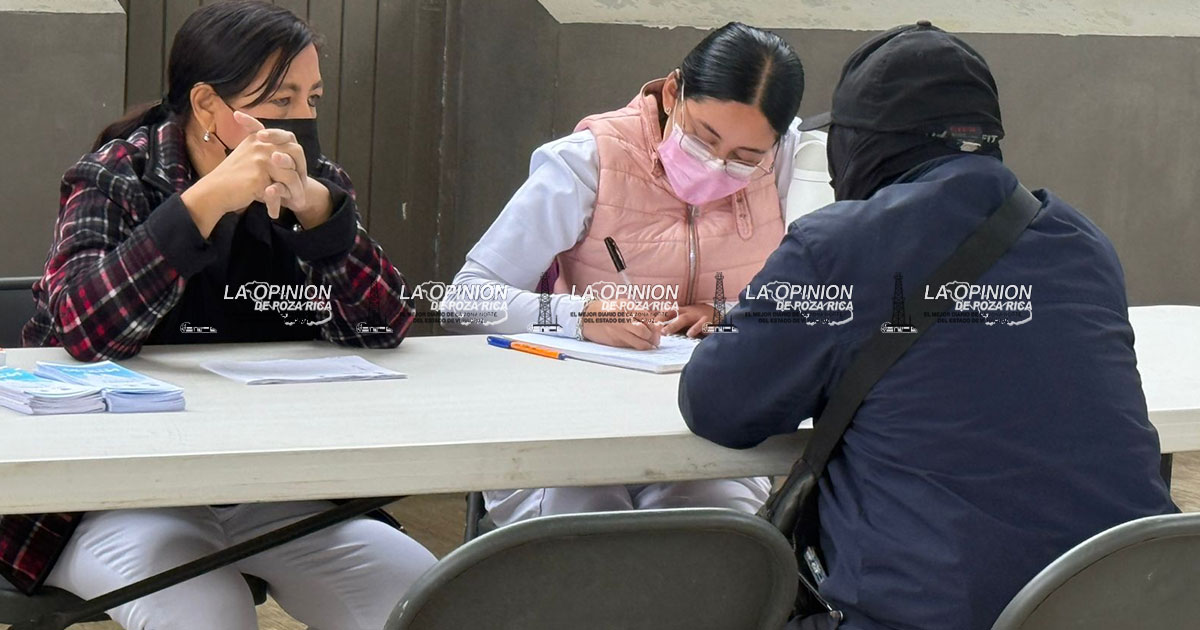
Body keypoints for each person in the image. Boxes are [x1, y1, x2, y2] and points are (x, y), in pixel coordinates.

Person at [680, 22, 1177, 630]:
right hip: (1129, 606)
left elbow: (716, 402)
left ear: (860, 144)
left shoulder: (838, 247)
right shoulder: (1083, 242)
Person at [3, 3, 435, 629]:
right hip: (115, 488)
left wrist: (321, 217)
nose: (300, 119)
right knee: (207, 611)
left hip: (272, 479)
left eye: (311, 98)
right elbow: (82, 327)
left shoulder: (312, 182)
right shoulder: (117, 176)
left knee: (420, 593)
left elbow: (385, 323)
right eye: (280, 99)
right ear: (208, 106)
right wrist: (201, 205)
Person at [442, 22, 832, 527]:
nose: (716, 167)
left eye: (744, 158)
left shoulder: (793, 166)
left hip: (713, 430)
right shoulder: (588, 160)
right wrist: (579, 315)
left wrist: (737, 315)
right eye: (703, 138)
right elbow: (465, 301)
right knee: (588, 541)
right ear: (674, 92)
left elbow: (823, 308)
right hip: (572, 427)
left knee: (713, 543)